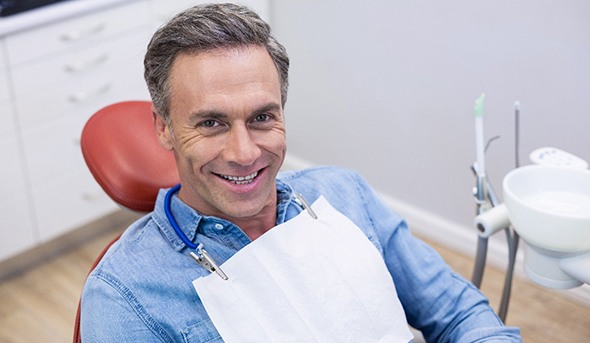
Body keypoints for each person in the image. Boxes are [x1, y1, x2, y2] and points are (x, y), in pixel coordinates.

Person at [80, 3, 522, 342]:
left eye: (261, 118)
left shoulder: (344, 194)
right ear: (164, 128)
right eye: (211, 123)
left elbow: (458, 311)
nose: (244, 152)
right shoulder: (125, 296)